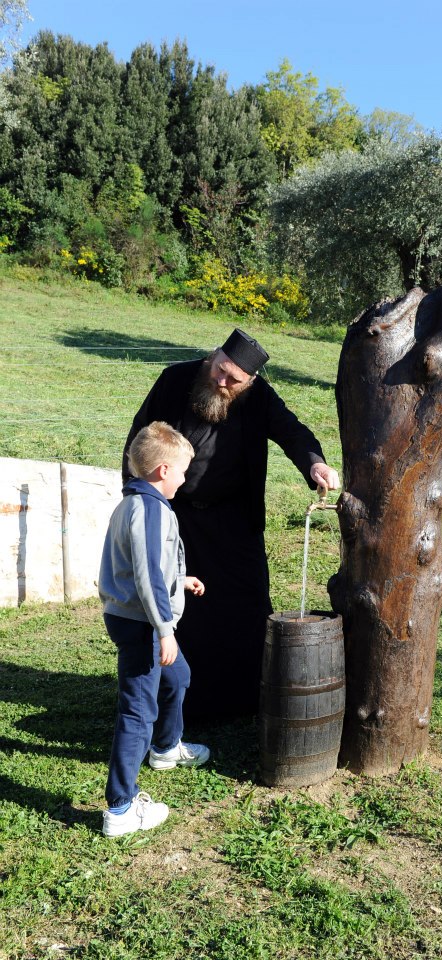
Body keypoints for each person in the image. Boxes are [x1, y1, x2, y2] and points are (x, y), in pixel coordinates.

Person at [122, 328, 340, 720]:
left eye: (232, 380)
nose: (221, 381)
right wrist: (139, 499)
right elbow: (139, 441)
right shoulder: (175, 380)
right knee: (180, 608)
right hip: (178, 517)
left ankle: (245, 700)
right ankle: (186, 704)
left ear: (249, 381)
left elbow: (292, 431)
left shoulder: (259, 398)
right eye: (220, 369)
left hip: (236, 519)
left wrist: (315, 463)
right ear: (215, 355)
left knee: (247, 604)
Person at [100, 421, 210, 838]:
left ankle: (165, 749)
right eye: (182, 470)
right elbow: (145, 574)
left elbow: (144, 565)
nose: (185, 478)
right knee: (137, 710)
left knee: (177, 677)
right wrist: (165, 629)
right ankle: (121, 808)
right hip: (143, 623)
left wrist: (178, 580)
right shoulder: (147, 509)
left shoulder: (136, 503)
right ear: (163, 470)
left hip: (137, 616)